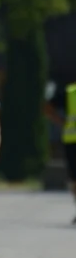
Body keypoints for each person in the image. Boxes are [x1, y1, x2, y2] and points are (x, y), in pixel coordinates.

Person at [45, 79, 76, 222]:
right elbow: (47, 107)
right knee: (74, 178)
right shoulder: (69, 92)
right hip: (72, 140)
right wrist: (62, 122)